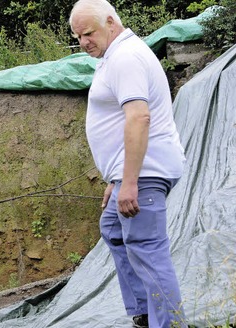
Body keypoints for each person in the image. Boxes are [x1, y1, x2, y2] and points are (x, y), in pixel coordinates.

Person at [69, 1, 187, 327]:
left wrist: (130, 181)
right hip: (134, 171)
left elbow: (138, 117)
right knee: (112, 227)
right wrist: (116, 179)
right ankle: (144, 313)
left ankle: (170, 324)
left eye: (88, 33)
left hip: (144, 173)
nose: (83, 42)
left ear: (110, 22)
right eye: (77, 36)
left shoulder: (125, 58)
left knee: (148, 251)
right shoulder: (114, 56)